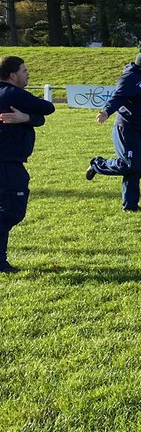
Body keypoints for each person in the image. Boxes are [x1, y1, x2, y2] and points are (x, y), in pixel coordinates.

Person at [85, 47, 141, 211]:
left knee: (136, 169)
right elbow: (118, 97)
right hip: (129, 130)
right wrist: (106, 111)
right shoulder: (129, 78)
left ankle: (130, 206)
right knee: (128, 165)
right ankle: (97, 165)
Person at [0, 57, 55, 273]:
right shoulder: (12, 93)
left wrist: (26, 118)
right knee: (11, 211)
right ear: (13, 75)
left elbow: (40, 118)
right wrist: (29, 117)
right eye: (24, 70)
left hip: (7, 161)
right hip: (7, 163)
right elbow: (47, 108)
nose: (27, 73)